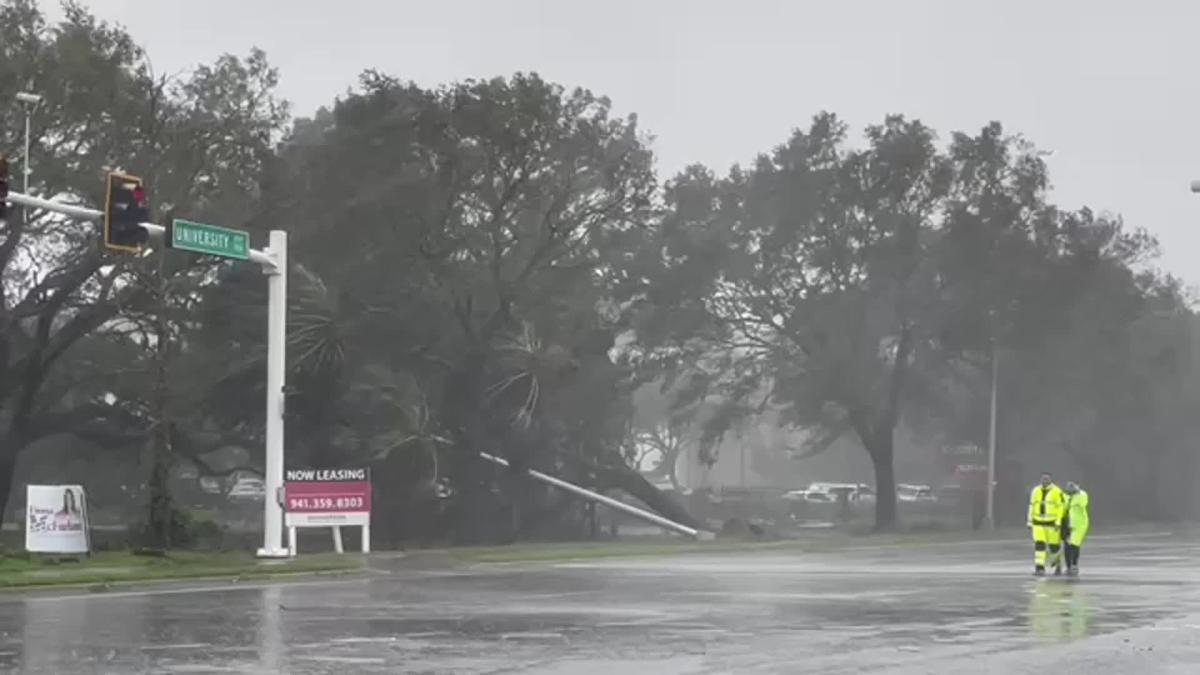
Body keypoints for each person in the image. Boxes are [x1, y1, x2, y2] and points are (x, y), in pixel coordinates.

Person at [1027, 472, 1066, 576]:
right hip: (1038, 523)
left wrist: (1058, 521)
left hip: (1052, 524)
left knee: (1054, 547)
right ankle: (1039, 568)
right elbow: (1031, 506)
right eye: (1043, 479)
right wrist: (1029, 522)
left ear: (1051, 480)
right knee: (1039, 545)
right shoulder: (1035, 490)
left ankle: (1057, 565)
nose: (1045, 480)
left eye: (1047, 479)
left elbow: (1060, 507)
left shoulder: (1057, 491)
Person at [1062, 481, 1090, 576]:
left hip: (1079, 525)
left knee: (1074, 544)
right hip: (1067, 524)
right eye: (1068, 488)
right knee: (1067, 545)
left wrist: (1077, 492)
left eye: (1072, 488)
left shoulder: (1082, 495)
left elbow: (1083, 503)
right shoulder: (1065, 497)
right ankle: (1068, 566)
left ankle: (1074, 565)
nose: (1070, 490)